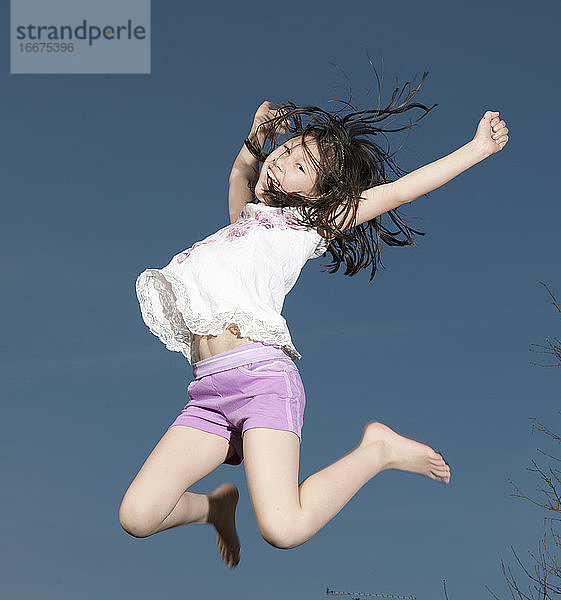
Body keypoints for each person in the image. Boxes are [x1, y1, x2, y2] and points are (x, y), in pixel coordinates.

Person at [118, 70, 509, 568]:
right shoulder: (246, 224)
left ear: (320, 192)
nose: (281, 160)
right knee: (138, 515)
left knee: (285, 527)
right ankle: (215, 508)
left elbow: (401, 191)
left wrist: (476, 149)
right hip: (208, 394)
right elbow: (241, 174)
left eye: (299, 163)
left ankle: (378, 450)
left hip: (262, 383)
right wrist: (255, 141)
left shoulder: (310, 223)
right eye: (284, 151)